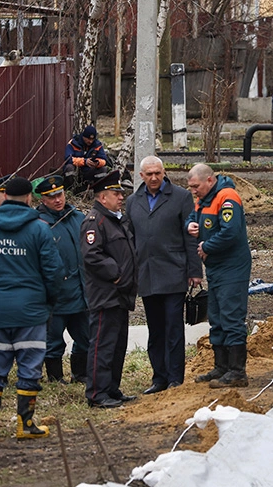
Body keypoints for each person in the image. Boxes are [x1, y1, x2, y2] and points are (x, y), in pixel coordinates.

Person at [0, 175, 63, 441]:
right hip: (31, 311)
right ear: (29, 198)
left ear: (5, 196)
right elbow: (53, 272)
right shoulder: (39, 229)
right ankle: (25, 424)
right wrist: (46, 301)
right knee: (29, 367)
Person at [126, 156, 202, 394]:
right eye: (149, 174)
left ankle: (175, 377)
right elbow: (129, 239)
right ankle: (158, 377)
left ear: (164, 172)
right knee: (155, 329)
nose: (154, 177)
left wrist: (194, 271)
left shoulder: (180, 197)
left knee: (173, 327)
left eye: (158, 173)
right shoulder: (132, 201)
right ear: (141, 176)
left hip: (173, 271)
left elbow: (190, 236)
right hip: (146, 274)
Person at [186, 164, 252, 388]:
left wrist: (207, 246)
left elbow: (230, 232)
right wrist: (191, 226)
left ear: (210, 180)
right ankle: (221, 366)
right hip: (215, 268)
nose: (193, 191)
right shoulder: (203, 199)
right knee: (216, 317)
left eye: (196, 186)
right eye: (191, 187)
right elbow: (192, 217)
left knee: (231, 317)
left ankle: (237, 372)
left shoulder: (227, 197)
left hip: (232, 267)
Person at [81, 171, 138, 409]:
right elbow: (92, 255)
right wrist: (115, 274)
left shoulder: (116, 220)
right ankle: (97, 393)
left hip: (120, 294)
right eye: (116, 194)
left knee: (117, 345)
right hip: (106, 294)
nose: (121, 197)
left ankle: (112, 388)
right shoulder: (95, 221)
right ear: (102, 197)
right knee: (102, 345)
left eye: (121, 193)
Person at [35, 175, 90, 385]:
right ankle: (55, 377)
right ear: (43, 199)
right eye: (51, 197)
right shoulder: (38, 223)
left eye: (60, 194)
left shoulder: (77, 217)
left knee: (85, 337)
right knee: (53, 340)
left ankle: (80, 373)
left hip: (81, 290)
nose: (58, 200)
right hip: (56, 295)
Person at [63, 125, 109, 190]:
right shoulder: (73, 143)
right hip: (77, 171)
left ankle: (98, 190)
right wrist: (84, 162)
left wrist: (97, 163)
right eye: (88, 139)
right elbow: (68, 159)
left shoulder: (97, 145)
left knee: (103, 169)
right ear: (83, 136)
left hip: (89, 171)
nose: (90, 141)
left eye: (92, 139)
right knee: (69, 167)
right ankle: (71, 189)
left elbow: (104, 160)